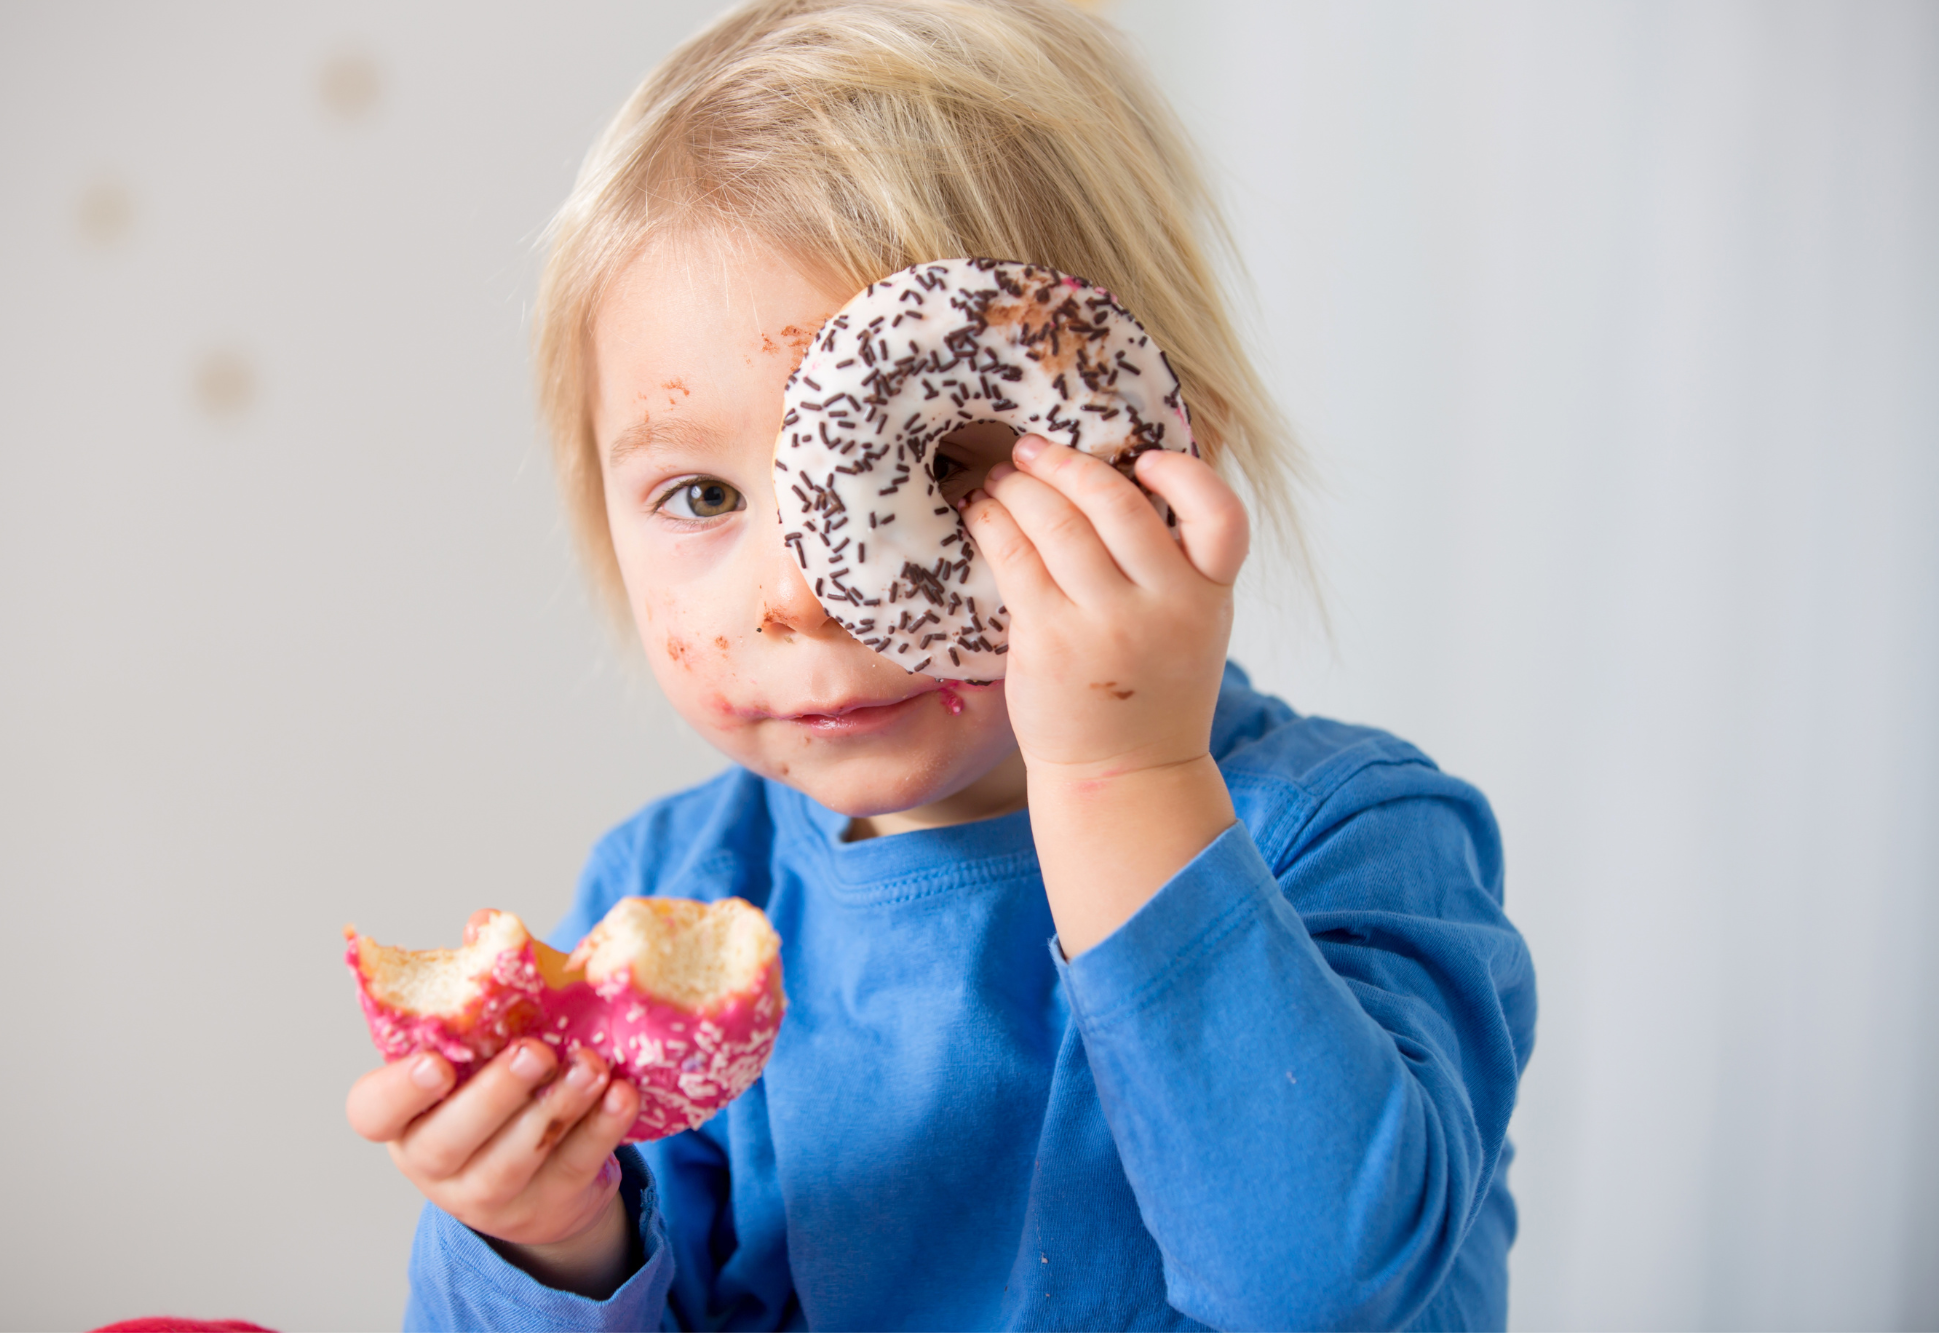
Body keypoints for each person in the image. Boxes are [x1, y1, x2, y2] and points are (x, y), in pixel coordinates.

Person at [345, 1, 1536, 1328]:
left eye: (941, 469)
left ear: (1165, 443)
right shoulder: (676, 906)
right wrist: (554, 1242)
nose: (800, 592)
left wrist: (1124, 772)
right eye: (699, 496)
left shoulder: (1348, 839)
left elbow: (1325, 1288)